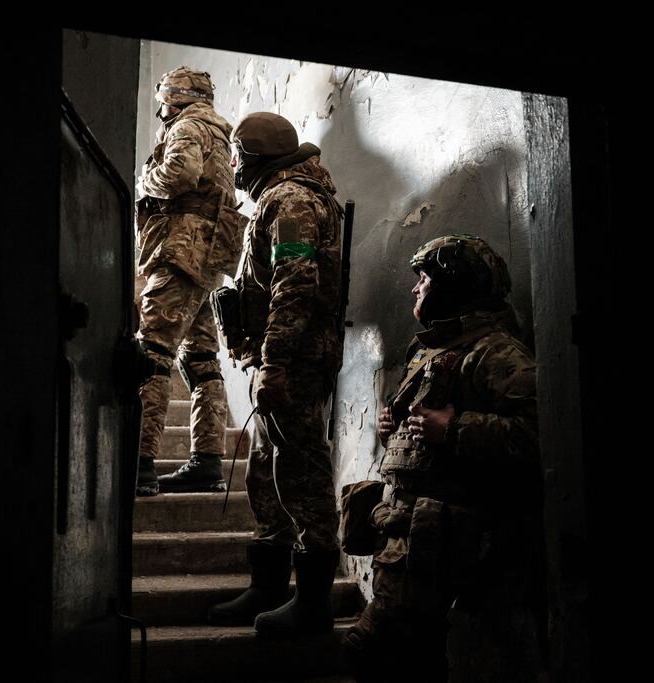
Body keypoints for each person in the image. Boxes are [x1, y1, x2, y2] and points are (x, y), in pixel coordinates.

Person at [342, 234, 545, 682]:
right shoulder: (430, 347)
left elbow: (541, 436)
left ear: (455, 285)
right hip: (404, 538)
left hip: (442, 541)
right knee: (412, 659)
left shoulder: (494, 350)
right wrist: (390, 426)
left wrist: (454, 428)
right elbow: (418, 424)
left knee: (373, 653)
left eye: (425, 278)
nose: (415, 288)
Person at [206, 112, 344, 639]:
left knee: (301, 477)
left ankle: (313, 606)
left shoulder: (290, 200)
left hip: (296, 363)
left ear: (257, 157)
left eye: (240, 156)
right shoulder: (279, 196)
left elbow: (295, 285)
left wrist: (276, 362)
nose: (235, 165)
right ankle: (268, 587)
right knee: (265, 473)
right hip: (280, 358)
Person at [134, 66, 245, 496]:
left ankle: (141, 463)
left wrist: (145, 180)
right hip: (208, 257)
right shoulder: (219, 132)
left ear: (174, 98)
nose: (162, 106)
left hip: (181, 251)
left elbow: (179, 174)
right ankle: (208, 461)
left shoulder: (187, 125)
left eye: (164, 99)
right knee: (200, 359)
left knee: (154, 351)